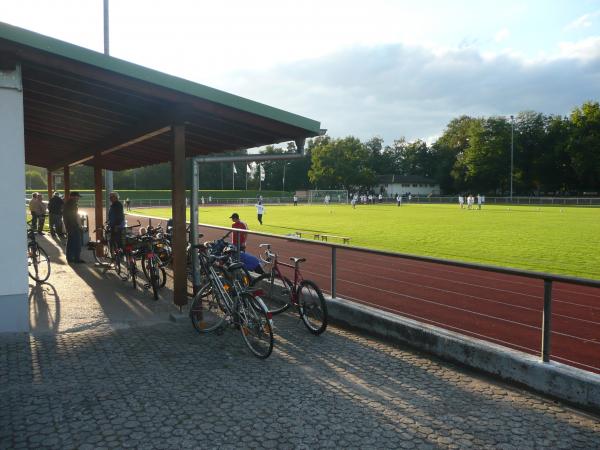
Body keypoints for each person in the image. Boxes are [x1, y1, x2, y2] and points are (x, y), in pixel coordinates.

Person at [63, 192, 84, 263]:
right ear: (73, 197)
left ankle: (69, 258)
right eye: (77, 197)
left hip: (69, 226)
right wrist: (80, 226)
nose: (78, 198)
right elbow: (75, 216)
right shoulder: (73, 204)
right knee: (77, 243)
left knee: (70, 242)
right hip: (73, 226)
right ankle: (76, 258)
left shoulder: (67, 203)